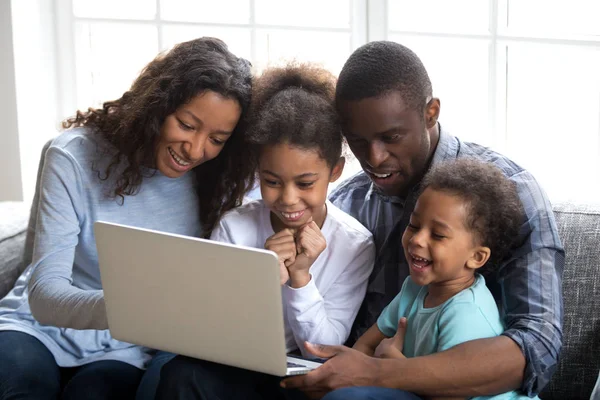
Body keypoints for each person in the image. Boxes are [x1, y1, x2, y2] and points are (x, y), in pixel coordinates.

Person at [282, 41, 564, 399]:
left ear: (431, 112)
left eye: (391, 137)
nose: (374, 158)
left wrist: (380, 373)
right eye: (357, 140)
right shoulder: (346, 201)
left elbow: (536, 347)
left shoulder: (514, 194)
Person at [0, 37, 253, 400]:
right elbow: (44, 296)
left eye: (217, 138)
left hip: (124, 346)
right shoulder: (72, 155)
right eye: (186, 124)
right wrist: (137, 309)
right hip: (35, 326)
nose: (196, 150)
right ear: (156, 108)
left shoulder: (220, 178)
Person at [155, 63, 376, 399]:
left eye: (305, 183)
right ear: (258, 171)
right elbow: (210, 328)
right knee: (182, 375)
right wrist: (261, 280)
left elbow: (323, 347)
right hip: (234, 366)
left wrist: (301, 277)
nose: (287, 199)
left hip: (296, 371)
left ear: (335, 170)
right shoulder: (235, 226)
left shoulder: (355, 244)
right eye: (271, 182)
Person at [346, 158, 536, 400]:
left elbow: (449, 392)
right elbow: (365, 345)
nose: (417, 240)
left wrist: (392, 366)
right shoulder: (414, 288)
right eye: (414, 226)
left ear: (477, 257)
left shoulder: (466, 312)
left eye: (437, 234)